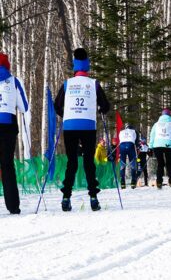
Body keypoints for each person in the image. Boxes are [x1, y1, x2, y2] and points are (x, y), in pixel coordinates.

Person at [54, 48, 110, 211]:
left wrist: (65, 113)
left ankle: (66, 198)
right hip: (87, 125)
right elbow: (105, 106)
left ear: (75, 66)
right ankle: (93, 197)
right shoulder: (94, 84)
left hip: (70, 125)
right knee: (88, 162)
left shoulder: (67, 84)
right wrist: (100, 109)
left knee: (72, 162)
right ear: (87, 66)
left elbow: (57, 105)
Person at [0, 52, 29, 215]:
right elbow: (24, 107)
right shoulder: (13, 81)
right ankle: (13, 206)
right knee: (7, 166)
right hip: (8, 125)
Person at [149, 108, 171, 189]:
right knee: (169, 164)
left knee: (160, 164)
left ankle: (159, 182)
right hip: (169, 145)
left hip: (157, 145)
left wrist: (150, 147)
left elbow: (152, 136)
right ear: (170, 115)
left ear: (161, 115)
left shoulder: (156, 124)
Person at [118, 123, 139, 189]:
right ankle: (133, 182)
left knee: (122, 164)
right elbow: (136, 141)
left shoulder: (121, 132)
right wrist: (137, 147)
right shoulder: (134, 131)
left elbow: (120, 140)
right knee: (133, 163)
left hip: (122, 146)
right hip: (130, 145)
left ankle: (122, 182)